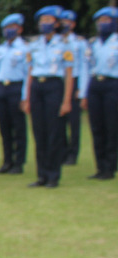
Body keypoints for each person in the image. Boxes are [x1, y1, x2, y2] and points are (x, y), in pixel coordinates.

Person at [23, 5, 75, 188]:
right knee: (39, 132)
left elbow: (69, 74)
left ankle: (53, 175)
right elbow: (29, 72)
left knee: (54, 132)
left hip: (54, 86)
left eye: (48, 20)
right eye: (42, 20)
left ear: (56, 23)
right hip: (37, 86)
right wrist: (26, 97)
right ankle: (42, 175)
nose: (44, 23)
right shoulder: (34, 45)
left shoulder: (65, 45)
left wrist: (67, 101)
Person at [0, 13, 29, 175]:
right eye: (6, 28)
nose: (8, 31)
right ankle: (7, 161)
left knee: (18, 127)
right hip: (1, 88)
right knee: (4, 127)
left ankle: (19, 162)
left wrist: (25, 97)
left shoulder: (25, 49)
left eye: (12, 28)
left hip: (16, 88)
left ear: (19, 29)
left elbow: (27, 74)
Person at [86, 6, 118, 180]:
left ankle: (110, 167)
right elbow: (87, 67)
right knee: (97, 126)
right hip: (95, 84)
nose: (102, 24)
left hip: (113, 84)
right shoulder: (93, 43)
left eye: (106, 20)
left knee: (111, 126)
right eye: (100, 21)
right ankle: (100, 166)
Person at [58, 10, 90, 165]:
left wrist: (82, 90)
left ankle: (73, 153)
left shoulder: (80, 42)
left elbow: (84, 67)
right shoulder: (56, 41)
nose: (65, 24)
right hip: (59, 82)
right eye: (62, 21)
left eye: (68, 22)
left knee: (74, 121)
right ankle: (62, 151)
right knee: (59, 120)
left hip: (75, 81)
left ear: (73, 24)